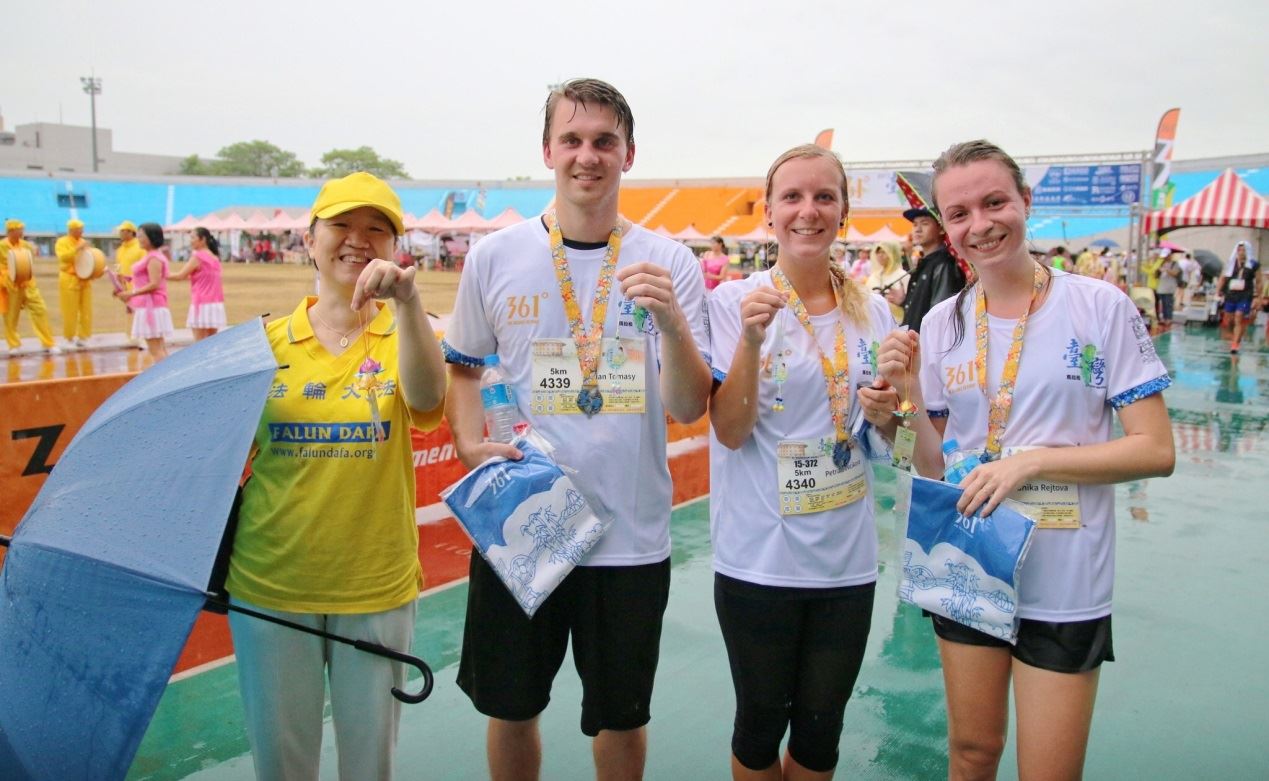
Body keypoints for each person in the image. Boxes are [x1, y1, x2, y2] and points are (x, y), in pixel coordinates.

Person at [878, 139, 1175, 781]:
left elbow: (1156, 448)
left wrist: (1033, 462)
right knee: (971, 754)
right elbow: (930, 464)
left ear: (1026, 202)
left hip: (1065, 578)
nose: (980, 225)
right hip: (970, 564)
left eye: (995, 203)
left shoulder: (1098, 307)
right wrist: (903, 401)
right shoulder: (943, 323)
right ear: (945, 224)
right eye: (959, 213)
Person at [441, 77, 711, 781]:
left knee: (621, 716)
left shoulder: (669, 262)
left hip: (630, 536)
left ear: (628, 154)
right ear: (547, 150)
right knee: (511, 707)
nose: (587, 155)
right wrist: (468, 443)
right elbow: (462, 367)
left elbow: (690, 406)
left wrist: (671, 324)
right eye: (572, 139)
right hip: (522, 524)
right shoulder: (495, 256)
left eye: (603, 141)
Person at [224, 172, 446, 780]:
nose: (358, 239)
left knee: (369, 765)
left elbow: (428, 400)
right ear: (309, 239)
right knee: (282, 765)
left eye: (377, 228)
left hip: (375, 585)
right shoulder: (262, 344)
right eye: (341, 225)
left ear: (396, 247)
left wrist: (408, 304)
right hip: (270, 583)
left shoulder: (409, 332)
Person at [707, 143, 898, 780]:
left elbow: (889, 442)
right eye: (792, 196)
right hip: (760, 557)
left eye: (824, 197)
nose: (808, 211)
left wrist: (887, 413)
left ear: (844, 212)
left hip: (846, 561)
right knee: (759, 726)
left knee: (821, 735)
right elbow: (729, 431)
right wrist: (751, 341)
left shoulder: (874, 312)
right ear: (769, 212)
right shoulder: (735, 302)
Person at [899, 202, 966, 332]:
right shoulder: (925, 263)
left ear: (941, 229)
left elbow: (940, 316)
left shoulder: (944, 264)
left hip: (926, 341)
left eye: (925, 224)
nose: (917, 229)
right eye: (915, 225)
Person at [113, 223, 173, 360]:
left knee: (156, 349)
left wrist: (131, 293)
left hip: (151, 305)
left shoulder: (152, 256)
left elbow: (154, 283)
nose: (138, 238)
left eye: (141, 236)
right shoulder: (123, 250)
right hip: (145, 303)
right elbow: (122, 267)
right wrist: (122, 278)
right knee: (158, 347)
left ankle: (164, 373)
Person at [2, 218, 59, 356]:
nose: (22, 232)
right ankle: (13, 345)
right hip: (11, 286)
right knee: (10, 317)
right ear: (11, 231)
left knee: (40, 311)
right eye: (19, 229)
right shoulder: (1, 246)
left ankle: (48, 343)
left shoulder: (26, 246)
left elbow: (29, 262)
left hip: (28, 284)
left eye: (22, 229)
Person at [169, 226, 227, 341]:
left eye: (193, 237)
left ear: (203, 239)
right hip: (215, 303)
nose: (190, 241)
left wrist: (161, 275)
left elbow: (180, 276)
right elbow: (199, 276)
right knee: (212, 341)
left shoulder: (198, 256)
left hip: (201, 303)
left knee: (199, 343)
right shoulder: (214, 258)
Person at [54, 218, 95, 349]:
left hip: (84, 279)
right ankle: (69, 338)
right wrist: (77, 249)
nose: (82, 231)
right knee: (69, 310)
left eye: (82, 229)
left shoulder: (83, 242)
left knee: (86, 310)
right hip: (69, 278)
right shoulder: (62, 242)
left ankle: (84, 337)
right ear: (71, 230)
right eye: (79, 229)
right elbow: (63, 257)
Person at [1218, 240, 1260, 353]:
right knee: (1229, 319)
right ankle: (1235, 337)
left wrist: (1258, 297)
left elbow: (1259, 281)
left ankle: (1235, 344)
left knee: (1239, 316)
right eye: (1239, 250)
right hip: (1231, 295)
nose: (1241, 252)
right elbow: (1222, 278)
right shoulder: (1231, 263)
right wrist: (1218, 291)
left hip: (1245, 295)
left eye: (1244, 250)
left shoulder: (1253, 264)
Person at [865, 241, 908, 321]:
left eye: (884, 252)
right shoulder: (874, 276)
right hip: (875, 320)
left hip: (896, 321)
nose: (880, 255)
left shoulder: (903, 276)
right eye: (878, 252)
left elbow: (910, 302)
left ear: (893, 254)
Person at [1155, 252, 1181, 327]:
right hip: (1161, 286)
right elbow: (1156, 274)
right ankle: (1164, 318)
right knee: (1163, 303)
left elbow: (1175, 273)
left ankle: (1169, 318)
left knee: (1168, 303)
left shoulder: (1175, 264)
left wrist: (1166, 270)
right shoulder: (1161, 263)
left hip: (1170, 287)